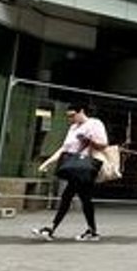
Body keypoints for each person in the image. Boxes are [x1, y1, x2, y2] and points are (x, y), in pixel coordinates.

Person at [35, 100, 107, 241]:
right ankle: (92, 232)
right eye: (68, 116)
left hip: (85, 166)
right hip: (75, 167)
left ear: (81, 111)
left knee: (68, 197)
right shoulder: (73, 128)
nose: (71, 119)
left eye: (73, 115)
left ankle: (51, 229)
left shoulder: (94, 124)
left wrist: (88, 140)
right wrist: (48, 162)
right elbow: (64, 149)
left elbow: (103, 145)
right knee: (84, 199)